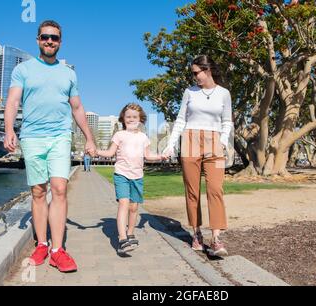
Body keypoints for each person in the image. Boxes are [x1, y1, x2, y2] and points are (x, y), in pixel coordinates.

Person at [4, 20, 96, 273]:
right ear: (37, 40)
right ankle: (41, 244)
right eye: (45, 37)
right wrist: (9, 129)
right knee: (38, 191)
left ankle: (58, 250)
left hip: (59, 136)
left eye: (54, 38)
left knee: (59, 188)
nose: (49, 41)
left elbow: (77, 107)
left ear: (60, 42)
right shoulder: (23, 70)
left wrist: (89, 137)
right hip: (32, 136)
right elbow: (12, 101)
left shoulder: (68, 73)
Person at [163, 55, 233, 257]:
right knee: (192, 191)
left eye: (196, 73)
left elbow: (227, 121)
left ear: (207, 69)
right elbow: (180, 120)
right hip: (190, 140)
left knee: (215, 189)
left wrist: (222, 141)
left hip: (215, 142)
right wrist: (170, 144)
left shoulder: (223, 93)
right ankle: (196, 234)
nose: (194, 77)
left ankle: (216, 239)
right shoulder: (189, 92)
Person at [95, 103, 165, 255]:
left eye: (134, 117)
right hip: (121, 174)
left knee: (134, 208)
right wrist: (96, 151)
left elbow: (148, 155)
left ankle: (130, 233)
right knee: (124, 204)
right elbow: (110, 152)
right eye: (128, 117)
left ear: (140, 119)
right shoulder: (119, 135)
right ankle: (122, 239)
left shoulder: (143, 137)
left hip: (137, 176)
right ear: (123, 118)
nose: (131, 119)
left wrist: (161, 156)